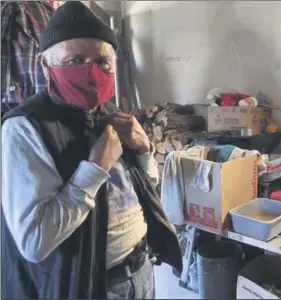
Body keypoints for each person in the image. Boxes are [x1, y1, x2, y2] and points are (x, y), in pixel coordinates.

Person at [1, 2, 182, 299]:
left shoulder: (108, 112)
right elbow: (35, 242)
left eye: (102, 61)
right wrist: (95, 168)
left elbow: (144, 189)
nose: (91, 71)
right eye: (74, 60)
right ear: (46, 66)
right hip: (94, 285)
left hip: (141, 270)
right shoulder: (25, 129)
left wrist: (144, 151)